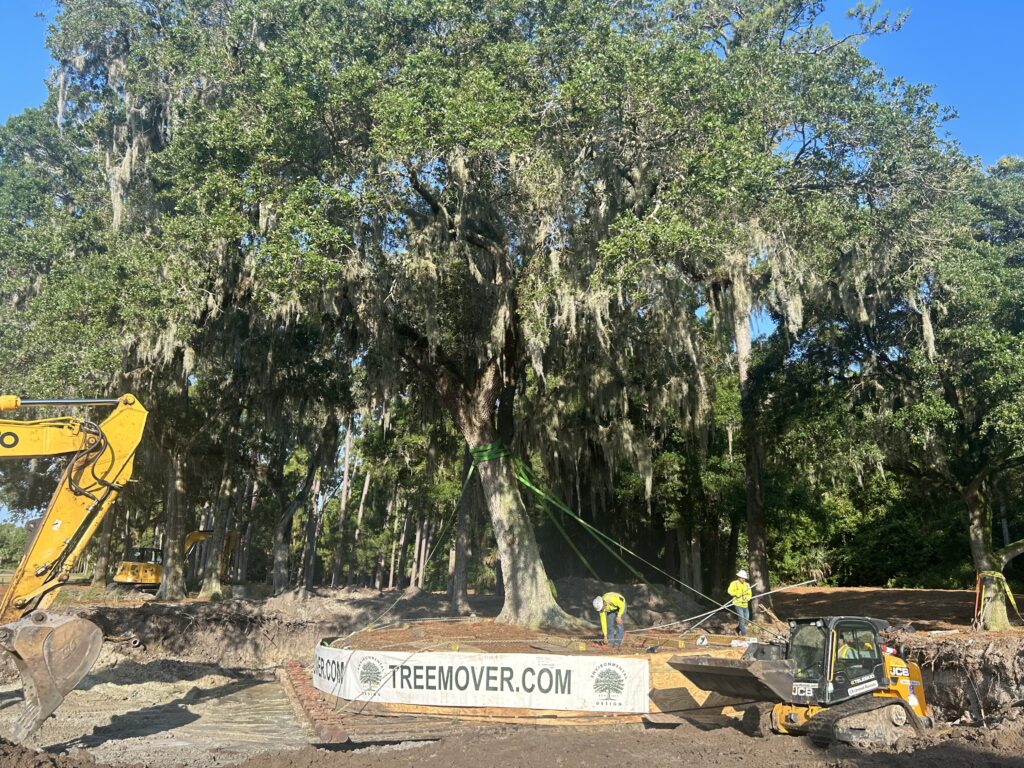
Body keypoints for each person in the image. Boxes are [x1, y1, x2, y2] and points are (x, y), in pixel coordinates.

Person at [727, 570, 753, 636]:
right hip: (737, 603)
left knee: (746, 619)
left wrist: (747, 598)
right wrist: (736, 594)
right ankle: (743, 633)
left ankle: (738, 629)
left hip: (745, 604)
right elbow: (729, 591)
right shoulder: (734, 583)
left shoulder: (747, 585)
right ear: (738, 577)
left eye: (744, 578)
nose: (743, 579)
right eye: (741, 578)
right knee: (741, 618)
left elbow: (749, 594)